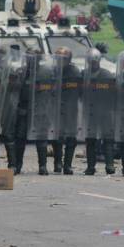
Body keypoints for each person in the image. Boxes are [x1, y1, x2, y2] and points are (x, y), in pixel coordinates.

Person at [82, 48, 117, 175]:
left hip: (105, 111)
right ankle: (91, 166)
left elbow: (114, 94)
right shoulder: (84, 75)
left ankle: (110, 165)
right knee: (90, 140)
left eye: (95, 62)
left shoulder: (107, 75)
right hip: (90, 112)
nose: (93, 64)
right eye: (91, 62)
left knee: (107, 139)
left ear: (99, 61)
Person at [27, 49, 59, 175]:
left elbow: (52, 92)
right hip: (24, 109)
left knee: (42, 139)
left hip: (42, 109)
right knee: (18, 139)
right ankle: (15, 165)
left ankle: (43, 166)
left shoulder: (46, 72)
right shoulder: (23, 72)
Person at [51, 46, 82, 175]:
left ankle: (67, 165)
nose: (59, 61)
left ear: (69, 59)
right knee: (56, 137)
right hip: (56, 107)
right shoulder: (52, 71)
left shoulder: (75, 72)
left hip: (71, 108)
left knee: (71, 138)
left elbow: (80, 91)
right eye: (57, 58)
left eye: (62, 58)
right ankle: (58, 162)